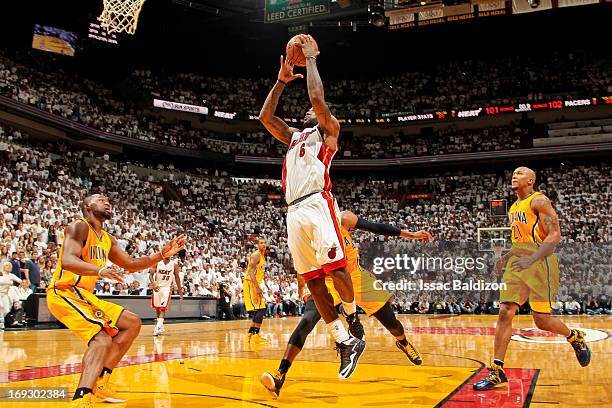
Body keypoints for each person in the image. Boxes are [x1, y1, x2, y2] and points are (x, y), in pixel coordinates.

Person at [259, 34, 364, 379]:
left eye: (314, 111)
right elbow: (264, 117)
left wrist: (313, 58)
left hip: (318, 204)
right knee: (313, 282)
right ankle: (343, 340)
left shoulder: (328, 131)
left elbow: (317, 98)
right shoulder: (293, 136)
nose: (309, 110)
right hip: (293, 211)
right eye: (306, 110)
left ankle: (351, 314)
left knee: (336, 272)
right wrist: (280, 82)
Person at [260, 210, 432, 397]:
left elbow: (375, 227)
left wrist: (411, 235)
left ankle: (403, 343)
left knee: (392, 323)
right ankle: (280, 374)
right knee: (307, 321)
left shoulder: (343, 218)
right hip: (327, 282)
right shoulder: (306, 229)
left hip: (356, 277)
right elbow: (302, 266)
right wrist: (303, 290)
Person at [46, 194, 186, 407]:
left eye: (108, 200)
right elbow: (67, 261)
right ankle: (82, 397)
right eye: (100, 199)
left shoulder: (107, 239)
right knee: (101, 339)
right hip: (64, 292)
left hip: (85, 295)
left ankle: (101, 382)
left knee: (132, 323)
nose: (107, 202)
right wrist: (100, 270)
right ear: (87, 207)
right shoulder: (79, 226)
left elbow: (130, 263)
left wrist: (161, 254)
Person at [473, 167, 591, 391]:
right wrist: (506, 257)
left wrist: (533, 258)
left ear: (531, 180)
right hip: (518, 262)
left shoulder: (540, 200)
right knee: (505, 310)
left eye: (519, 173)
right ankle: (497, 371)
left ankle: (574, 336)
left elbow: (555, 235)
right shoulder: (515, 206)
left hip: (540, 261)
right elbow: (520, 241)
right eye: (513, 174)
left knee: (541, 320)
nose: (514, 176)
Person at [149, 254, 183, 336]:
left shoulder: (174, 265)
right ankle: (160, 325)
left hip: (167, 288)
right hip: (157, 287)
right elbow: (150, 275)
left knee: (163, 308)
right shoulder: (157, 263)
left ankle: (158, 327)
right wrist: (153, 283)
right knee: (157, 308)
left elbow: (177, 278)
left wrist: (180, 290)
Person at [243, 238, 269, 343]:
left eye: (265, 243)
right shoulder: (256, 255)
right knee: (261, 309)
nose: (263, 244)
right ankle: (256, 335)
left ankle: (250, 334)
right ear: (257, 245)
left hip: (255, 283)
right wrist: (257, 287)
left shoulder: (262, 256)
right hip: (250, 283)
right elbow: (250, 272)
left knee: (260, 309)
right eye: (261, 243)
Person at [0, 261, 22, 330]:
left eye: (10, 266)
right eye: (7, 266)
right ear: (4, 267)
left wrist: (19, 282)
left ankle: (2, 323)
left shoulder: (11, 275)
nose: (8, 267)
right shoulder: (1, 274)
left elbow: (20, 281)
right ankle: (1, 324)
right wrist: (8, 281)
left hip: (5, 294)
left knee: (6, 310)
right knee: (1, 306)